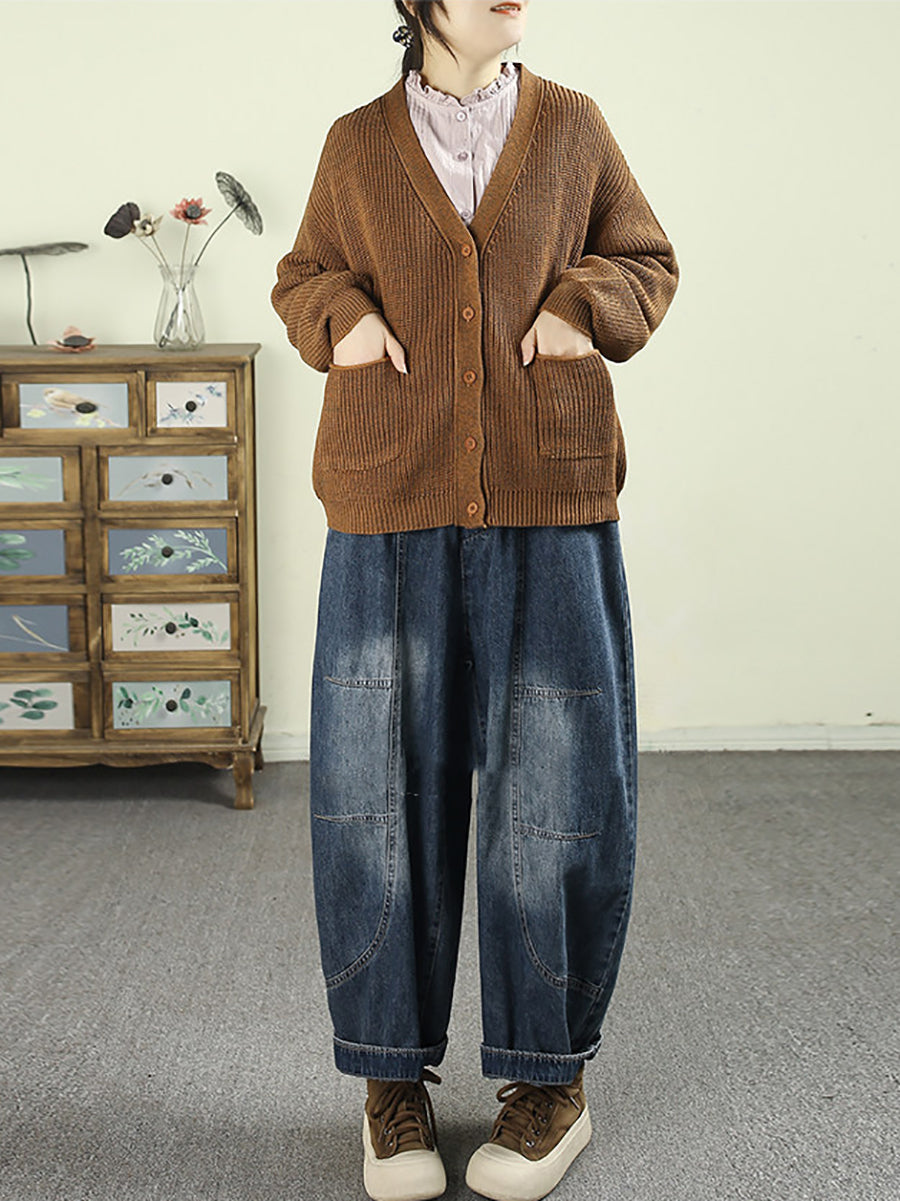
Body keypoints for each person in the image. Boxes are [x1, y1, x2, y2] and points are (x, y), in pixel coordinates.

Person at [270, 2, 679, 1198]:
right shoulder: (357, 142)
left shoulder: (573, 126)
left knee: (556, 792)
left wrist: (579, 306)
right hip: (388, 496)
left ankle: (550, 1081)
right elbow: (303, 278)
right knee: (374, 794)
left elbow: (647, 259)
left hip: (550, 491)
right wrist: (342, 320)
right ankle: (388, 1080)